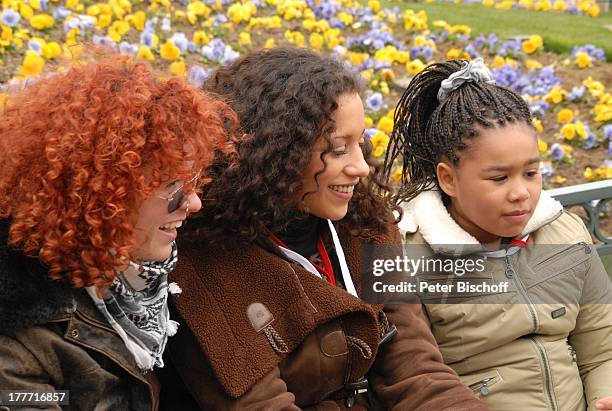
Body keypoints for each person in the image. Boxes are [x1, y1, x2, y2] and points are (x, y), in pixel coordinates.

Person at [159, 47, 488, 410]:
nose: (361, 167)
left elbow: (416, 372)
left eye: (360, 143)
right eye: (337, 149)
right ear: (275, 154)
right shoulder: (198, 265)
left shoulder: (367, 226)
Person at [0, 50, 233, 410]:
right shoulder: (20, 341)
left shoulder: (146, 276)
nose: (195, 203)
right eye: (173, 185)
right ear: (104, 190)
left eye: (195, 181)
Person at [383, 58, 612, 410]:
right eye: (499, 178)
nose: (521, 192)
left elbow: (602, 349)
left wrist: (604, 398)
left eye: (531, 173)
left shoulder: (566, 231)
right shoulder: (404, 257)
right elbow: (412, 382)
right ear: (448, 179)